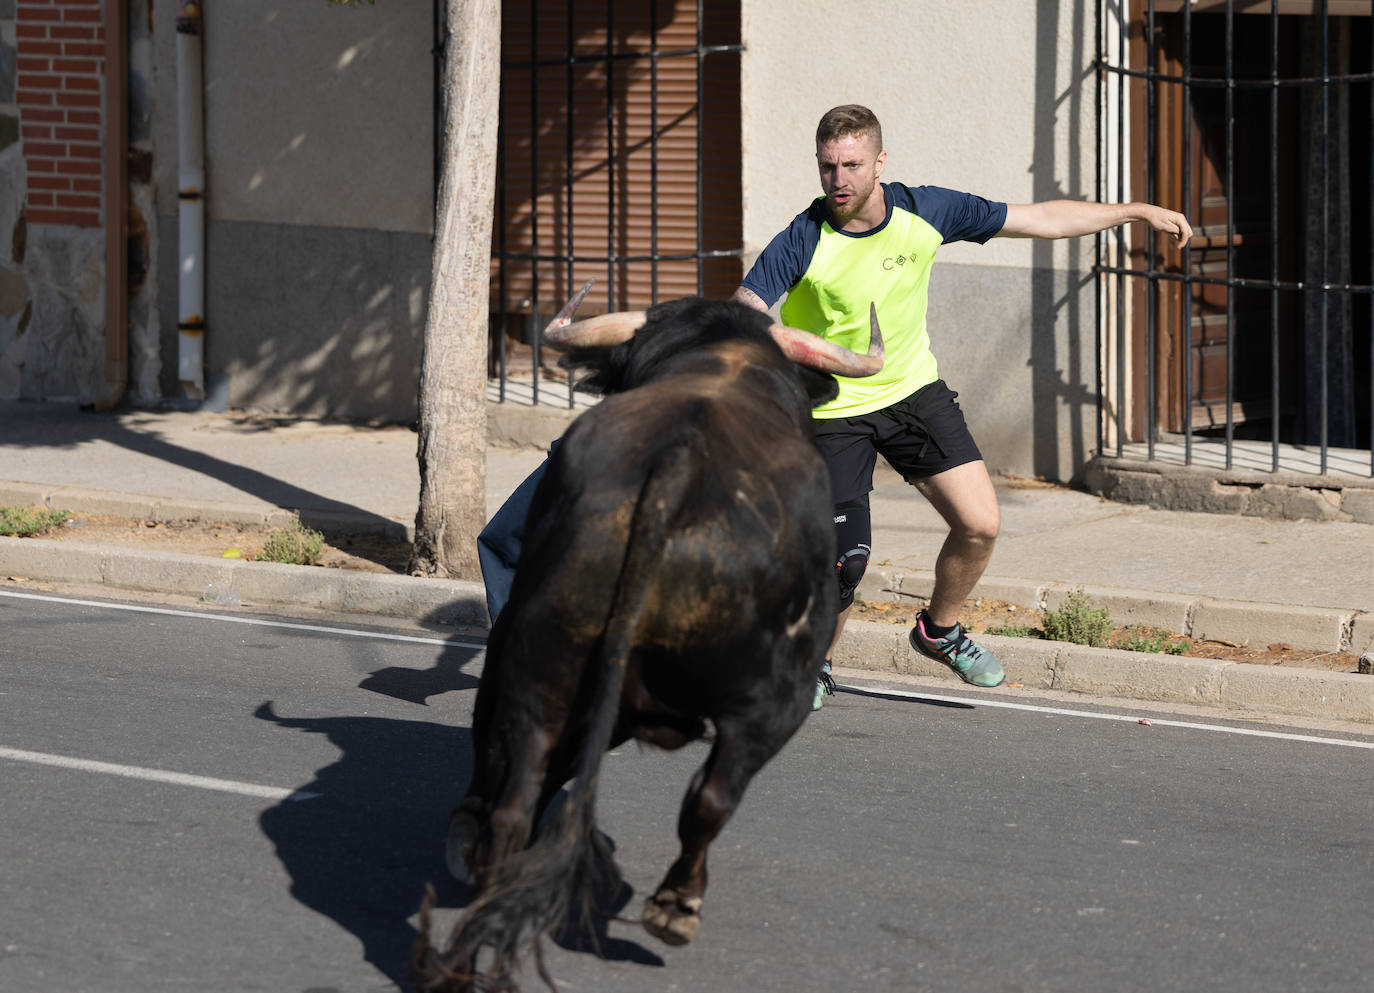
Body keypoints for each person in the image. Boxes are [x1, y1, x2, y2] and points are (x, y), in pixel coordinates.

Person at [732, 104, 1193, 709]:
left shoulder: (927, 210)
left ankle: (939, 630)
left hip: (911, 393)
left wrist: (1133, 211)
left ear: (879, 162)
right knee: (844, 566)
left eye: (851, 165)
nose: (838, 180)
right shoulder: (803, 239)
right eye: (827, 167)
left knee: (980, 525)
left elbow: (1041, 219)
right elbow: (742, 313)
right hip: (829, 412)